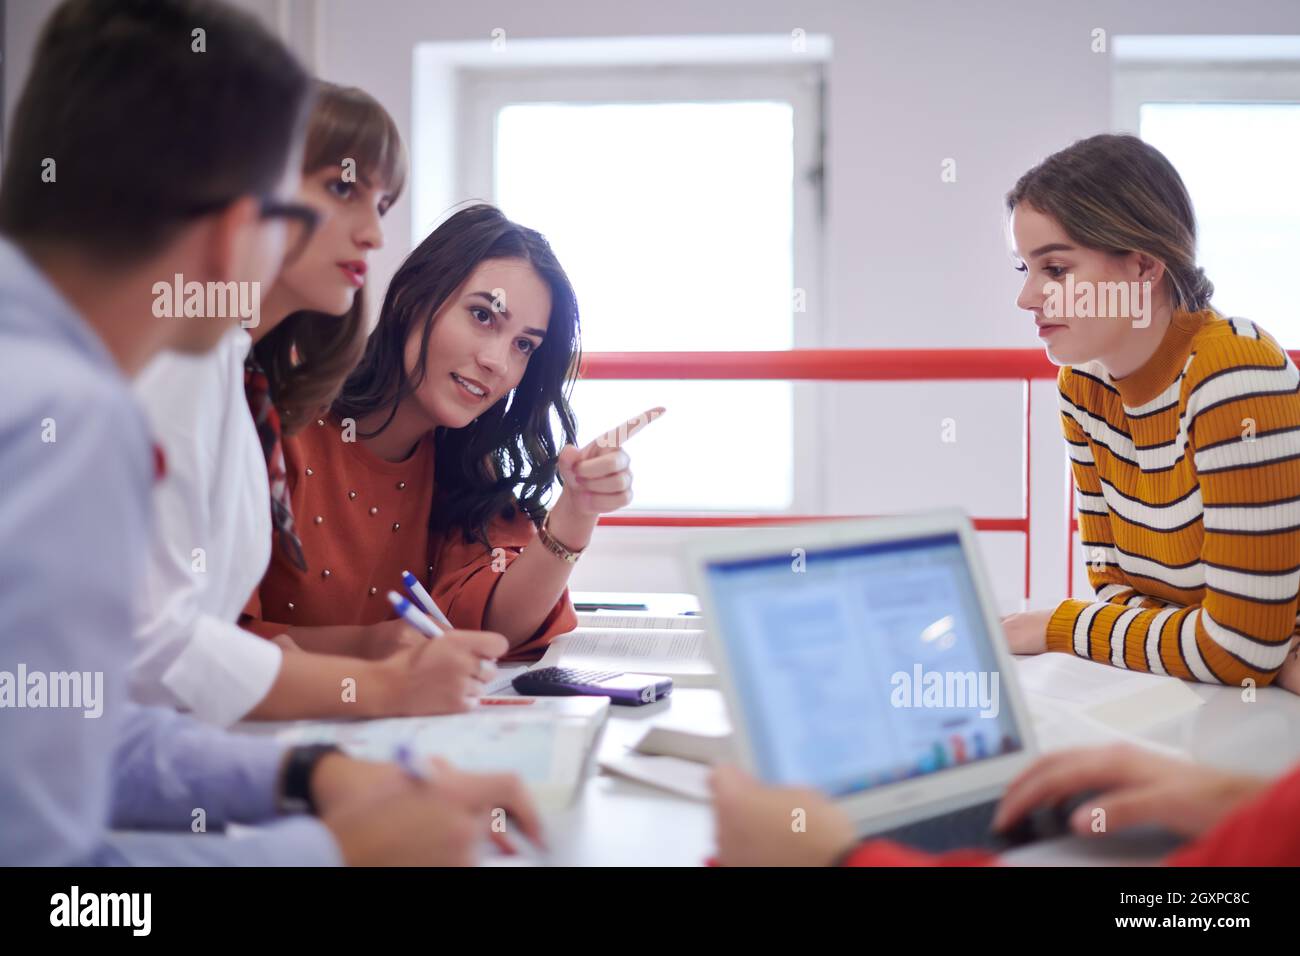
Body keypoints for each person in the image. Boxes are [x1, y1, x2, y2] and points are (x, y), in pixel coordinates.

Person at [0, 0, 538, 866]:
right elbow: (62, 887)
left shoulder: (162, 370)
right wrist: (332, 849)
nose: (367, 233)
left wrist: (311, 778)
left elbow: (93, 731)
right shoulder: (75, 409)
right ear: (230, 218)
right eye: (322, 193)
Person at [130, 82, 503, 725]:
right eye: (342, 190)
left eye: (383, 204)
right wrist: (386, 689)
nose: (375, 234)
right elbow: (158, 650)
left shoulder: (235, 370)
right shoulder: (171, 362)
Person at [243, 203, 663, 659]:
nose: (497, 363)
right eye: (483, 316)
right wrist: (371, 649)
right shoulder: (278, 424)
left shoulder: (462, 466)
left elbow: (498, 627)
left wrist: (577, 511)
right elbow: (202, 644)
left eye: (524, 345)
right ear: (411, 297)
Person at [999, 134, 1300, 695]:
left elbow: (1240, 653)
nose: (1028, 297)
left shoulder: (1234, 371)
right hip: (1235, 696)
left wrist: (1057, 626)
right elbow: (1115, 588)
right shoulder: (1083, 384)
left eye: (1056, 270)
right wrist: (1239, 646)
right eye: (1025, 269)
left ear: (1142, 266)